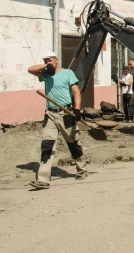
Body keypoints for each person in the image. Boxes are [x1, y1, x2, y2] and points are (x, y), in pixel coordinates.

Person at [27, 51, 87, 190]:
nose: (48, 62)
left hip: (65, 113)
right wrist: (44, 66)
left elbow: (76, 92)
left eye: (50, 60)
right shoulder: (45, 74)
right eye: (45, 60)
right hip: (50, 114)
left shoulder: (67, 73)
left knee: (73, 143)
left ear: (56, 60)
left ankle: (82, 169)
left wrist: (77, 110)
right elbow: (30, 70)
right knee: (47, 145)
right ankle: (42, 179)